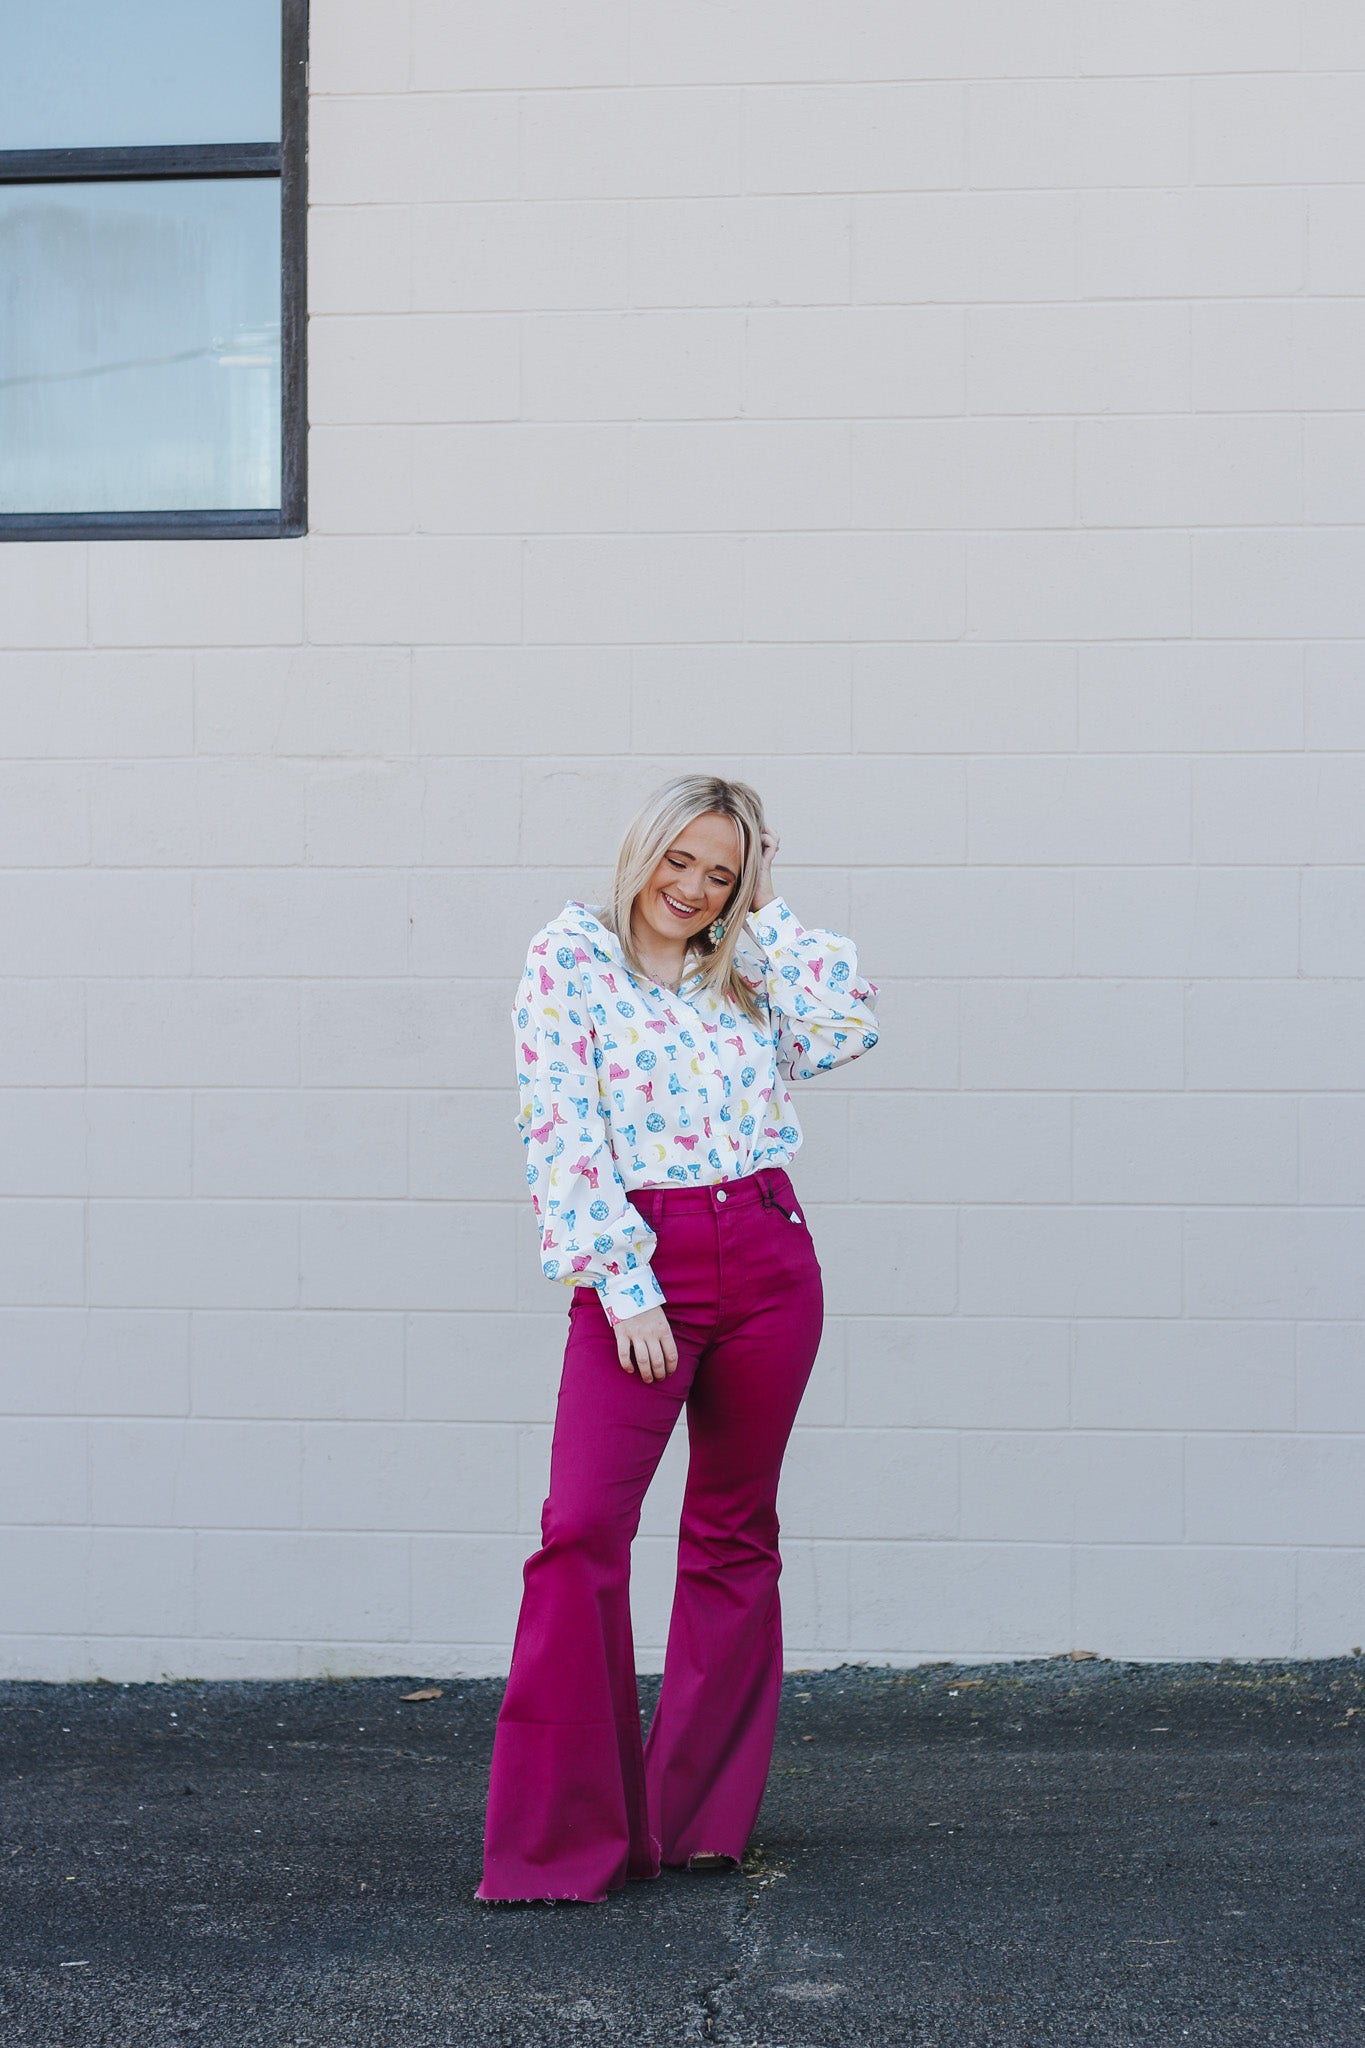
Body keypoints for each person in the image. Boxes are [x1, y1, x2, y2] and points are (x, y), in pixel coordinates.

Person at [475, 772, 881, 1904]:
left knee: (734, 1529)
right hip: (640, 1259)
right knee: (582, 1531)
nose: (692, 888)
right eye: (682, 860)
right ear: (642, 848)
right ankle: (560, 1846)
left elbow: (849, 1023)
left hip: (764, 1244)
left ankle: (699, 1818)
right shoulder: (570, 958)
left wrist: (767, 915)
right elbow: (559, 1129)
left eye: (721, 873)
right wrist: (623, 1283)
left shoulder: (744, 971)